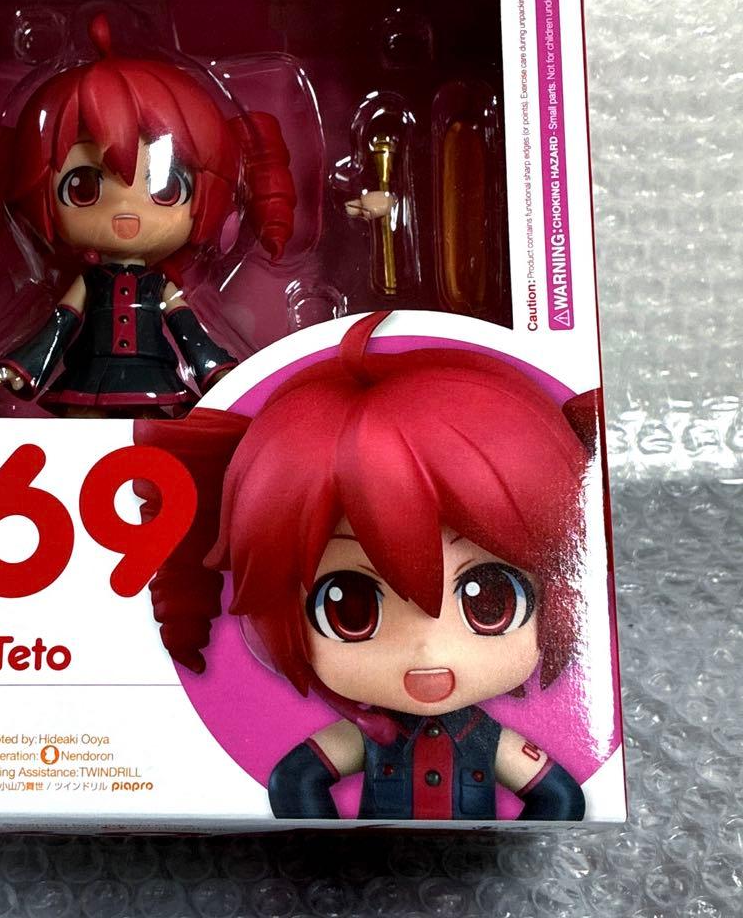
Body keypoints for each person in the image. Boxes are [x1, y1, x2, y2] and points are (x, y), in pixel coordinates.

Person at [136, 313, 592, 819]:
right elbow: (294, 780)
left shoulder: (487, 740)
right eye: (351, 610)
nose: (427, 648)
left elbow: (560, 799)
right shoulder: (367, 735)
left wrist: (506, 846)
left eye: (489, 601)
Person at [0, 14, 297, 416]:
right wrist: (22, 368)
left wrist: (216, 370)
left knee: (150, 427)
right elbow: (59, 326)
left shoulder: (159, 286)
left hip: (153, 378)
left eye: (166, 190)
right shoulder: (89, 283)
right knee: (84, 425)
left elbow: (188, 330)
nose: (125, 211)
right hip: (89, 377)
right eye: (83, 188)